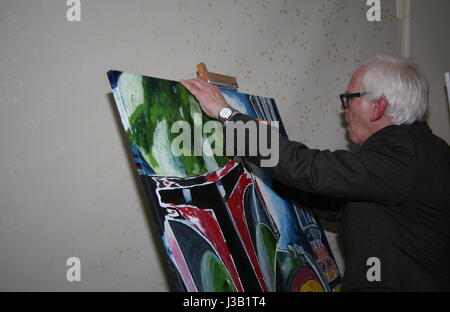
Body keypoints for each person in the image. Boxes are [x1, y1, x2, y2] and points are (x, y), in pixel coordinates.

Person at [180, 54, 450, 291]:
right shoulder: (418, 152)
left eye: (349, 99)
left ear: (377, 106)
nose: (344, 110)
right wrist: (266, 157)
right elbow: (331, 197)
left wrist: (228, 115)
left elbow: (312, 170)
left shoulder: (403, 152)